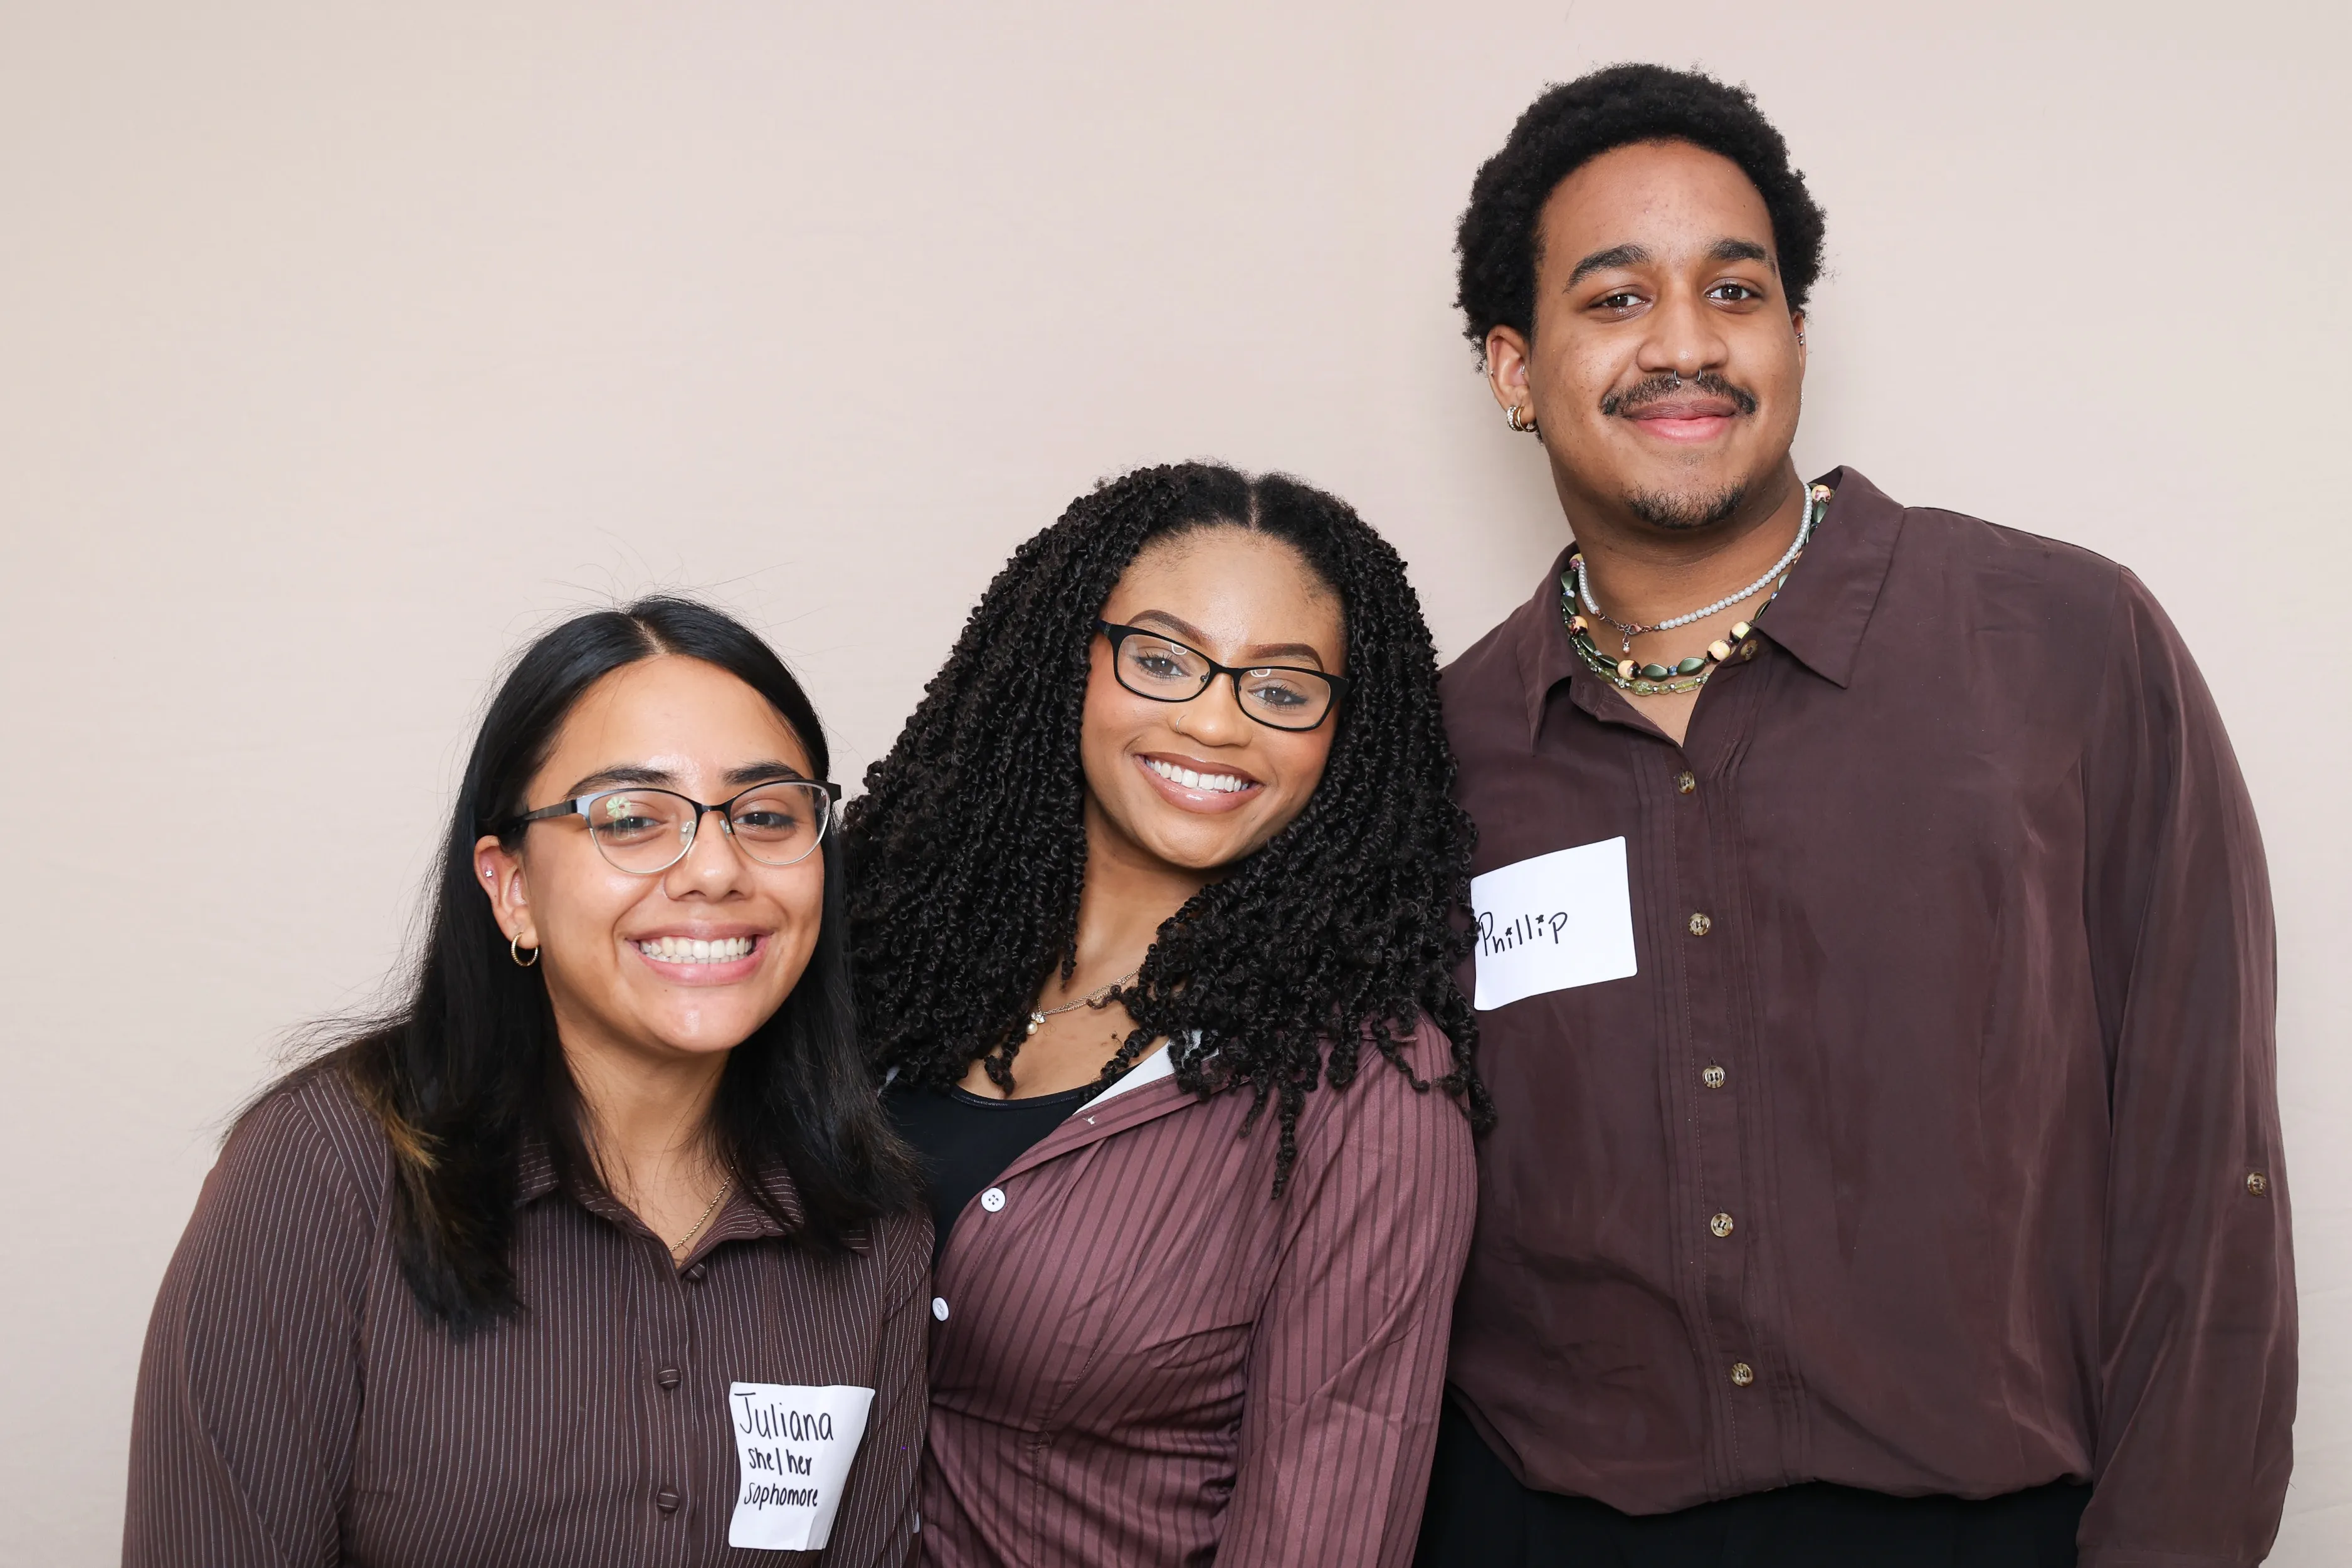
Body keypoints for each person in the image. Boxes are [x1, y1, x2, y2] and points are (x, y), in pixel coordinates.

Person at [1417, 65, 2295, 1568]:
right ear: (1514, 366)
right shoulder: (1438, 754)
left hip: (2001, 1530)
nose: (1686, 344)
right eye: (1616, 299)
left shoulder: (2064, 645)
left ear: (1796, 338)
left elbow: (2205, 1169)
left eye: (1736, 290)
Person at [126, 599, 929, 1566]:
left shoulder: (872, 1219)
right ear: (511, 888)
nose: (716, 870)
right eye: (631, 819)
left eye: (764, 815)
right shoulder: (327, 1167)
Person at [846, 462, 1486, 1567]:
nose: (1215, 721)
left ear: (1343, 736)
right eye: (1160, 660)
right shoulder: (886, 963)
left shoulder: (1364, 1088)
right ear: (1067, 661)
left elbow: (1325, 1525)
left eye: (1281, 689)